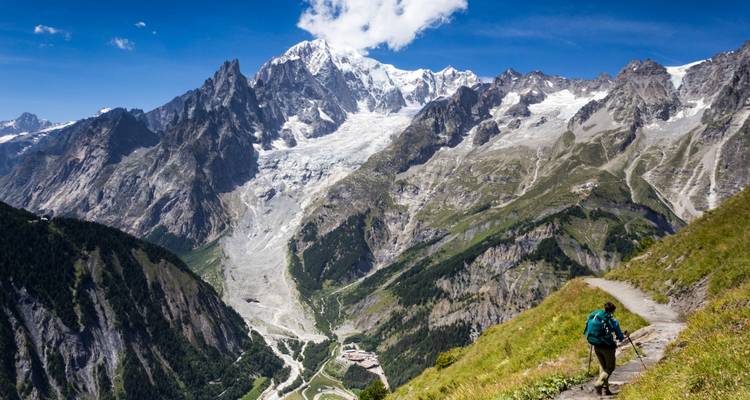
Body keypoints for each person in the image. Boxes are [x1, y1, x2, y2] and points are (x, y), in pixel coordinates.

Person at [584, 302, 627, 396]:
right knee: (610, 367)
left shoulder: (597, 315)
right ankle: (598, 384)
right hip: (607, 347)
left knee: (603, 367)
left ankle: (605, 390)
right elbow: (620, 336)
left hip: (596, 345)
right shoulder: (612, 320)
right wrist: (623, 336)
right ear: (613, 310)